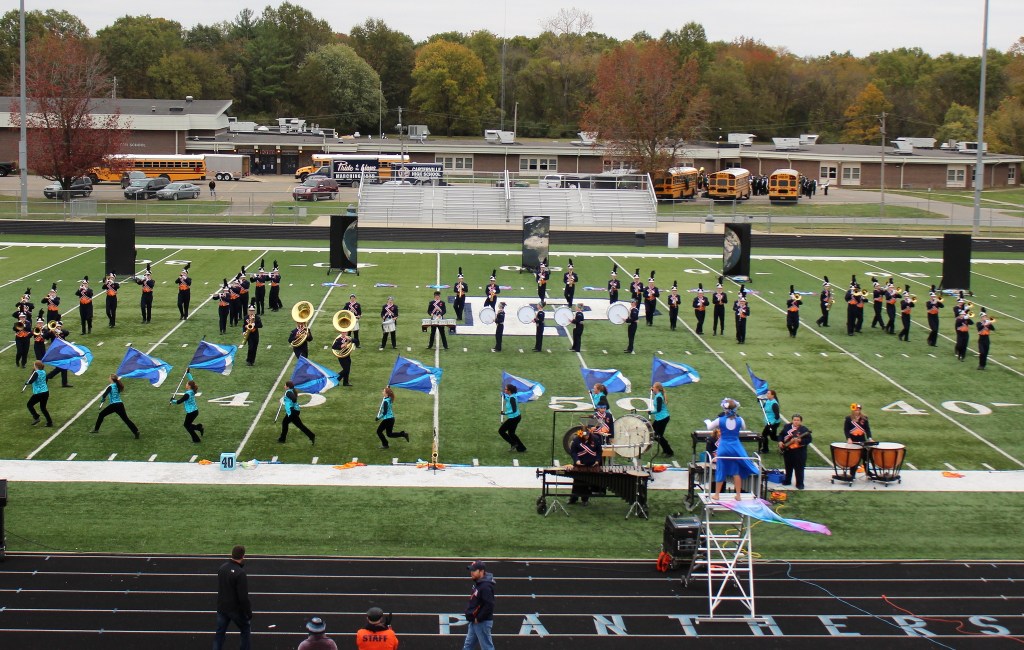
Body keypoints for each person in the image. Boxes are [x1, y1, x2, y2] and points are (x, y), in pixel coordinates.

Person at [711, 398, 759, 501]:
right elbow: (744, 427)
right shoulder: (740, 419)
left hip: (724, 447)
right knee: (736, 471)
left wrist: (707, 421)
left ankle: (717, 495)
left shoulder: (720, 420)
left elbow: (709, 427)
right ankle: (738, 495)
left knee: (721, 469)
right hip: (736, 447)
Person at [214, 544, 251, 650]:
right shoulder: (240, 573)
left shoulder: (222, 568)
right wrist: (248, 613)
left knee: (219, 634)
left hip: (222, 607)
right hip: (235, 610)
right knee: (245, 629)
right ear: (243, 556)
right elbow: (243, 597)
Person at [92, 374, 139, 439]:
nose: (108, 378)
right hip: (120, 404)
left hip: (114, 405)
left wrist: (103, 399)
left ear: (111, 379)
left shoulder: (110, 386)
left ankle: (96, 429)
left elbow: (104, 395)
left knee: (101, 414)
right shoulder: (118, 385)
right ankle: (136, 431)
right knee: (126, 419)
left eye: (109, 377)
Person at [463, 560, 496, 650]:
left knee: (487, 647)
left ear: (481, 571)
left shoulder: (485, 587)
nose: (471, 573)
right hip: (474, 621)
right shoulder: (479, 583)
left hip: (482, 622)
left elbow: (489, 605)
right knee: (468, 646)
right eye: (471, 570)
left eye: (474, 571)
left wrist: (479, 618)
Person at [568, 425, 603, 505]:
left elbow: (599, 451)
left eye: (587, 435)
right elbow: (573, 451)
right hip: (579, 465)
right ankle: (574, 498)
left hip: (591, 465)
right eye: (584, 436)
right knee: (577, 482)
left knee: (587, 482)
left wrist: (597, 460)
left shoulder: (596, 439)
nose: (586, 437)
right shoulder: (577, 439)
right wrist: (576, 460)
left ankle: (585, 499)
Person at [779, 414, 812, 490]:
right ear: (792, 420)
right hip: (788, 451)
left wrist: (800, 440)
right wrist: (780, 441)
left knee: (799, 468)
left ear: (801, 421)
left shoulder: (804, 430)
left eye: (798, 420)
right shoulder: (787, 427)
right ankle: (787, 480)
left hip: (799, 452)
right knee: (788, 466)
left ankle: (799, 483)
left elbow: (809, 440)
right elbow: (781, 435)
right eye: (794, 420)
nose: (796, 422)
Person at [279, 380, 315, 444]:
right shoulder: (292, 391)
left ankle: (282, 439)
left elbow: (294, 399)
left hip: (292, 412)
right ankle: (311, 435)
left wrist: (291, 407)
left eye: (285, 385)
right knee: (298, 425)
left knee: (285, 423)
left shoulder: (288, 392)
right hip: (295, 411)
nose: (284, 386)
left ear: (288, 387)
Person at [844, 403, 874, 478]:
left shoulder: (864, 418)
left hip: (861, 439)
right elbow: (846, 430)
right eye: (856, 410)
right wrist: (848, 438)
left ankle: (868, 471)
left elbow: (867, 429)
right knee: (854, 457)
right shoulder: (848, 419)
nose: (857, 411)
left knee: (865, 456)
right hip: (853, 439)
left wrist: (869, 438)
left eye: (859, 410)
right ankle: (852, 473)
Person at [498, 384, 531, 452]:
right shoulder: (511, 397)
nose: (505, 390)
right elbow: (509, 400)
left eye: (506, 389)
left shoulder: (512, 398)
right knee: (511, 433)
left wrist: (504, 413)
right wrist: (504, 397)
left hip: (514, 418)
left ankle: (513, 444)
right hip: (516, 417)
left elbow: (514, 410)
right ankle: (521, 448)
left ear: (509, 391)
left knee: (501, 431)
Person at [171, 375, 204, 443]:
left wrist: (172, 400)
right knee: (188, 425)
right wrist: (188, 373)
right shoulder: (192, 391)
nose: (185, 385)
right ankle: (199, 427)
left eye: (187, 384)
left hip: (191, 413)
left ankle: (196, 439)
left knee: (187, 425)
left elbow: (179, 402)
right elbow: (192, 381)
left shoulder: (187, 394)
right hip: (195, 411)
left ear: (189, 386)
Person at [24, 360, 53, 427]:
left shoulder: (36, 373)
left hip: (38, 393)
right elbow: (46, 380)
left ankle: (36, 417)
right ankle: (49, 422)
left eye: (34, 365)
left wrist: (27, 382)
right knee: (43, 408)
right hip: (45, 392)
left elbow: (31, 381)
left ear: (36, 366)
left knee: (29, 404)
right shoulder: (44, 372)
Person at [650, 382, 673, 457]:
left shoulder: (659, 397)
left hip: (663, 418)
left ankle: (669, 452)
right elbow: (656, 396)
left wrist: (651, 412)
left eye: (653, 387)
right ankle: (665, 448)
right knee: (654, 434)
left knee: (658, 436)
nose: (652, 388)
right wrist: (653, 392)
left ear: (657, 388)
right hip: (659, 418)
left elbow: (659, 409)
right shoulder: (658, 395)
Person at [759, 389, 781, 454]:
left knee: (764, 435)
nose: (767, 395)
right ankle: (784, 440)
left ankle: (765, 449)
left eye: (768, 394)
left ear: (773, 395)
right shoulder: (767, 401)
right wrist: (759, 401)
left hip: (773, 423)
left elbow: (777, 416)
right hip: (769, 422)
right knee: (773, 437)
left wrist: (771, 424)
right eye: (767, 393)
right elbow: (763, 408)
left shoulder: (774, 404)